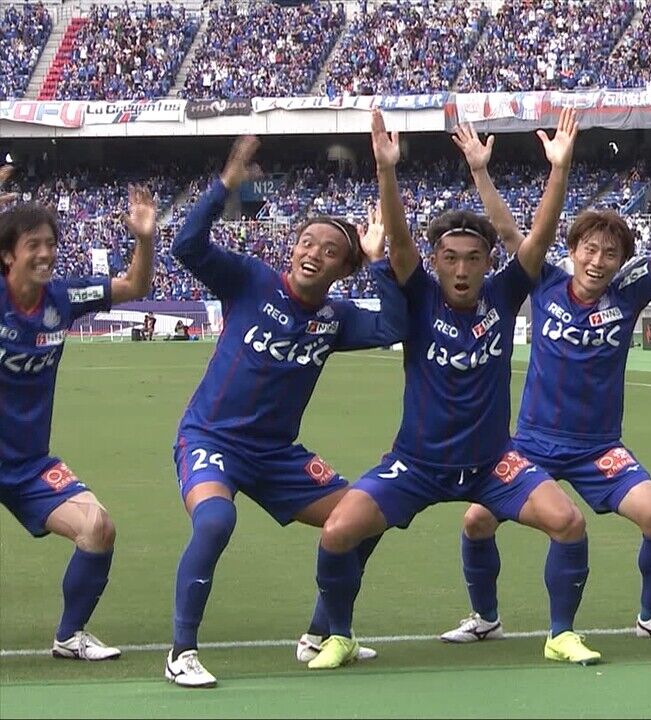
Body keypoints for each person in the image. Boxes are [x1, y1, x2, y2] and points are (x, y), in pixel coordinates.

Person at [307, 108, 601, 670]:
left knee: (568, 522)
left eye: (472, 259)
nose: (461, 270)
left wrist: (559, 170)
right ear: (435, 263)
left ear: (489, 262)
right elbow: (398, 244)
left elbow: (539, 239)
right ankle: (338, 636)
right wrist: (386, 170)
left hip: (493, 464)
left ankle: (560, 634)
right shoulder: (420, 295)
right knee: (339, 530)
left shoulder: (504, 294)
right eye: (449, 259)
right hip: (417, 465)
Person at [436, 124, 651, 645]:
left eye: (610, 253)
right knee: (475, 522)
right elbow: (507, 230)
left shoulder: (627, 296)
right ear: (573, 249)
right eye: (590, 249)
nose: (598, 261)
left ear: (620, 262)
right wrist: (480, 170)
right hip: (530, 443)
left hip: (598, 448)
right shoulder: (545, 282)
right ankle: (485, 618)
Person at [163, 136, 408, 688]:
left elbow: (394, 326)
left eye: (329, 250)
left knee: (368, 516)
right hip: (211, 440)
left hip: (276, 456)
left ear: (343, 268)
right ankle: (181, 651)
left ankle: (321, 633)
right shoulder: (251, 280)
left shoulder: (335, 319)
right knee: (216, 521)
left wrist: (377, 261)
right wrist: (226, 182)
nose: (312, 252)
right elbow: (186, 246)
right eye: (305, 242)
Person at [0, 164, 157, 661]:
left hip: (28, 464)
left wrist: (145, 239)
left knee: (97, 528)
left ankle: (70, 636)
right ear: (8, 255)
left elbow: (134, 286)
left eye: (50, 243)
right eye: (33, 245)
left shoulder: (63, 298)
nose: (46, 253)